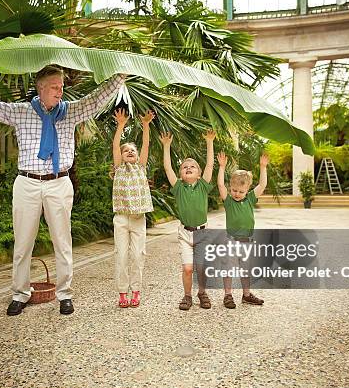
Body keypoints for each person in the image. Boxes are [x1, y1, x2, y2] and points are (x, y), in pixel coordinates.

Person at [0, 52, 125, 316]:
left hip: (59, 183)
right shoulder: (22, 112)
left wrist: (119, 77)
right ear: (40, 88)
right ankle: (19, 294)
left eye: (61, 87)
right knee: (23, 244)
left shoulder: (69, 113)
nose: (60, 92)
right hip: (27, 183)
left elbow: (95, 101)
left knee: (63, 242)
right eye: (54, 87)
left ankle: (65, 295)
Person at [160, 130, 216, 310]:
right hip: (185, 233)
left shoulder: (203, 186)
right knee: (187, 269)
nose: (189, 167)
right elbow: (168, 168)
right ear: (181, 174)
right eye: (185, 167)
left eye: (192, 166)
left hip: (202, 233)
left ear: (199, 174)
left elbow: (210, 165)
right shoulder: (178, 187)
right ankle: (187, 296)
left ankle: (202, 292)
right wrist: (166, 146)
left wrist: (209, 142)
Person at [111, 108, 155, 308]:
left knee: (138, 255)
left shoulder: (141, 168)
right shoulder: (119, 168)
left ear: (137, 156)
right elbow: (115, 146)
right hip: (121, 218)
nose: (129, 151)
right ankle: (122, 292)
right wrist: (120, 126)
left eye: (132, 150)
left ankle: (136, 290)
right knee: (121, 255)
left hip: (138, 218)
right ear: (121, 156)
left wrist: (145, 125)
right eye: (126, 150)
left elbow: (146, 145)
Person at [216, 151, 269, 308]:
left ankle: (246, 295)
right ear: (230, 188)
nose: (237, 194)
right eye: (234, 190)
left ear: (247, 190)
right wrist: (222, 167)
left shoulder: (250, 199)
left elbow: (263, 185)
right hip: (231, 241)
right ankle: (228, 295)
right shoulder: (228, 201)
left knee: (246, 270)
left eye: (241, 191)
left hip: (247, 241)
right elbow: (220, 184)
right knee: (228, 268)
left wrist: (263, 167)